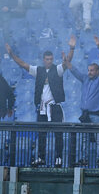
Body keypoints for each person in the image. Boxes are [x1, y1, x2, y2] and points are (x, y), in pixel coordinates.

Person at [5, 37, 76, 167]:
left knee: (58, 134)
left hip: (55, 107)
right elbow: (23, 64)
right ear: (44, 60)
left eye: (51, 59)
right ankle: (41, 157)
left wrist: (71, 48)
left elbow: (67, 62)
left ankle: (58, 158)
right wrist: (11, 54)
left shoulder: (58, 69)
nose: (49, 61)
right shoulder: (38, 70)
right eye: (47, 59)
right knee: (41, 134)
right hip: (42, 108)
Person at [63, 51, 99, 167]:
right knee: (84, 138)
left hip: (97, 114)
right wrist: (67, 62)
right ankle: (84, 159)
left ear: (97, 71)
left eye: (92, 70)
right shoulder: (85, 79)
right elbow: (74, 71)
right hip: (85, 114)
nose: (89, 72)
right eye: (89, 70)